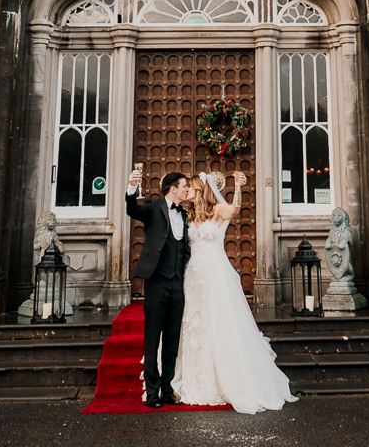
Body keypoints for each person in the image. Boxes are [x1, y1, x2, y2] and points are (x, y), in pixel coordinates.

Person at [172, 170, 298, 413]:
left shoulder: (218, 211)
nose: (187, 190)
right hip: (194, 275)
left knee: (216, 323)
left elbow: (235, 210)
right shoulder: (191, 214)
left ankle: (223, 380)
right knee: (196, 324)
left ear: (201, 190)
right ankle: (195, 380)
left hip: (214, 273)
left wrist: (238, 188)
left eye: (191, 187)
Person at [123, 165, 191, 408]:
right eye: (185, 186)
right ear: (173, 189)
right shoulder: (153, 207)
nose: (188, 190)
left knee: (172, 338)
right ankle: (151, 391)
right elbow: (133, 210)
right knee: (152, 337)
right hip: (155, 280)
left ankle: (167, 388)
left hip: (177, 282)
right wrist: (132, 187)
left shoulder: (184, 214)